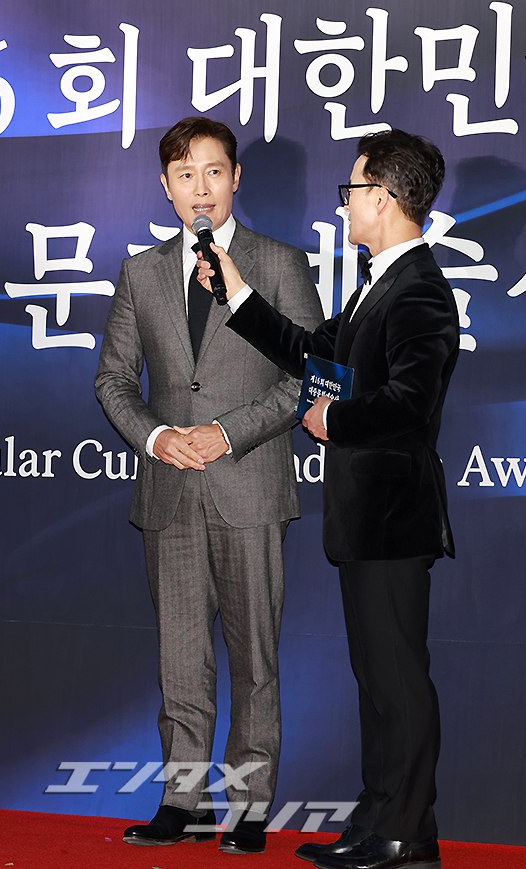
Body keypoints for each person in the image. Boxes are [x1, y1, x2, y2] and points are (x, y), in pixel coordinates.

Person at [196, 128, 457, 869]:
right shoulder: (378, 282)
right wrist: (236, 293)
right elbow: (313, 352)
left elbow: (412, 401)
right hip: (365, 517)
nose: (343, 204)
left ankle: (407, 833)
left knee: (398, 680)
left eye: (352, 189)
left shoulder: (419, 289)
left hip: (393, 516)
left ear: (385, 197)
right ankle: (380, 822)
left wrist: (332, 420)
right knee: (376, 679)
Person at [94, 116, 323, 854]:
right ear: (166, 187)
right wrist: (158, 437)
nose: (201, 188)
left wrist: (228, 432)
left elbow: (311, 377)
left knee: (255, 659)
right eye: (185, 174)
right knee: (180, 658)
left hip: (249, 483)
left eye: (214, 171)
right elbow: (113, 379)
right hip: (170, 488)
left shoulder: (279, 263)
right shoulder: (142, 273)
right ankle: (182, 799)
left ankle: (250, 806)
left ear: (236, 179)